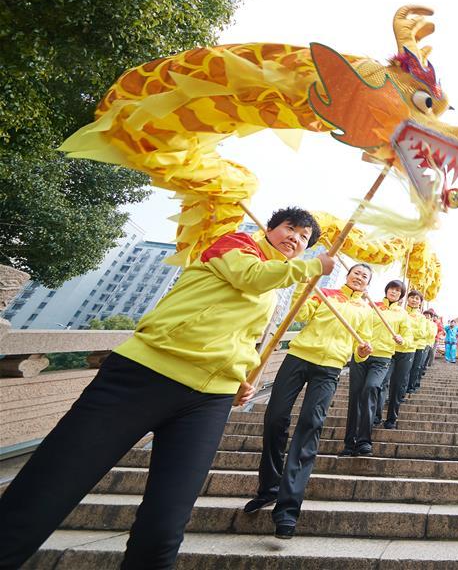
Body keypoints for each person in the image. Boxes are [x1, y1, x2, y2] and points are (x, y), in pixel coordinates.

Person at [0, 208, 331, 568]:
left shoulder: (275, 287)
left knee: (166, 524)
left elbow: (243, 335)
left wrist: (240, 377)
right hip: (146, 373)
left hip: (208, 400)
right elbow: (250, 277)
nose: (295, 239)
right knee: (48, 489)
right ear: (270, 228)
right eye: (290, 228)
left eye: (303, 238)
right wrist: (314, 267)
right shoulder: (235, 244)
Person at [244, 264, 373, 539]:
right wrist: (306, 286)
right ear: (348, 275)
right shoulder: (324, 292)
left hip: (330, 368)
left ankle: (287, 511)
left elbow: (361, 348)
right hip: (299, 357)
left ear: (368, 284)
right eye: (356, 272)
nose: (359, 277)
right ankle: (268, 488)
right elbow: (300, 314)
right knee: (275, 418)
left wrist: (362, 351)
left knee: (310, 425)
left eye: (365, 276)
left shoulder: (365, 311)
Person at [340, 280, 409, 456]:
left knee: (371, 388)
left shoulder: (402, 314)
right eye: (391, 289)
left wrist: (402, 339)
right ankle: (349, 442)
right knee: (355, 395)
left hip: (383, 357)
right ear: (386, 290)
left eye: (398, 291)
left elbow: (408, 337)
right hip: (362, 353)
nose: (394, 292)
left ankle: (364, 440)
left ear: (401, 295)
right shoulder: (371, 305)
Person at [384, 290, 425, 429]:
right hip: (391, 349)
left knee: (398, 384)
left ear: (420, 302)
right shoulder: (399, 311)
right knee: (383, 381)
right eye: (411, 297)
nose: (414, 300)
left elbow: (422, 333)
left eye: (417, 299)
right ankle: (376, 415)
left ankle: (391, 417)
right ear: (407, 299)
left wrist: (406, 329)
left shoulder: (421, 318)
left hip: (408, 351)